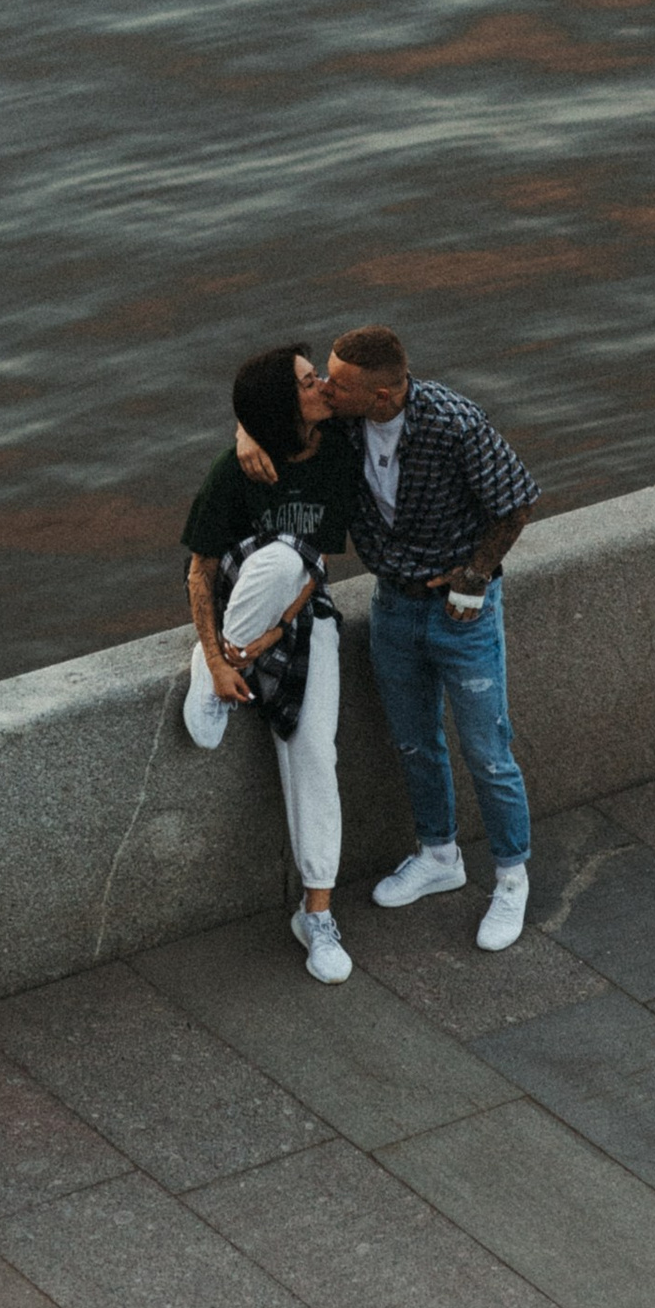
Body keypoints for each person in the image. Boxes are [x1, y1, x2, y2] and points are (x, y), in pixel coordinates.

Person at [237, 321, 539, 952]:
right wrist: (244, 433)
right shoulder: (341, 421)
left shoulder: (454, 424)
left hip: (461, 612)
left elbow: (515, 501)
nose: (321, 387)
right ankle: (439, 855)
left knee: (488, 749)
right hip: (393, 608)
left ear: (380, 397)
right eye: (320, 375)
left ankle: (511, 878)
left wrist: (476, 576)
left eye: (336, 383)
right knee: (413, 742)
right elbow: (276, 409)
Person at [180, 344, 365, 983]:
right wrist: (219, 654)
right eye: (309, 381)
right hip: (241, 599)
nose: (322, 385)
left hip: (300, 613)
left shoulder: (338, 447)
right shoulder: (234, 472)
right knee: (280, 556)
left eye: (316, 377)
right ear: (284, 406)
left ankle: (316, 915)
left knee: (316, 750)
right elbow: (199, 571)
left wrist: (280, 630)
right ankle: (214, 675)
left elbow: (320, 565)